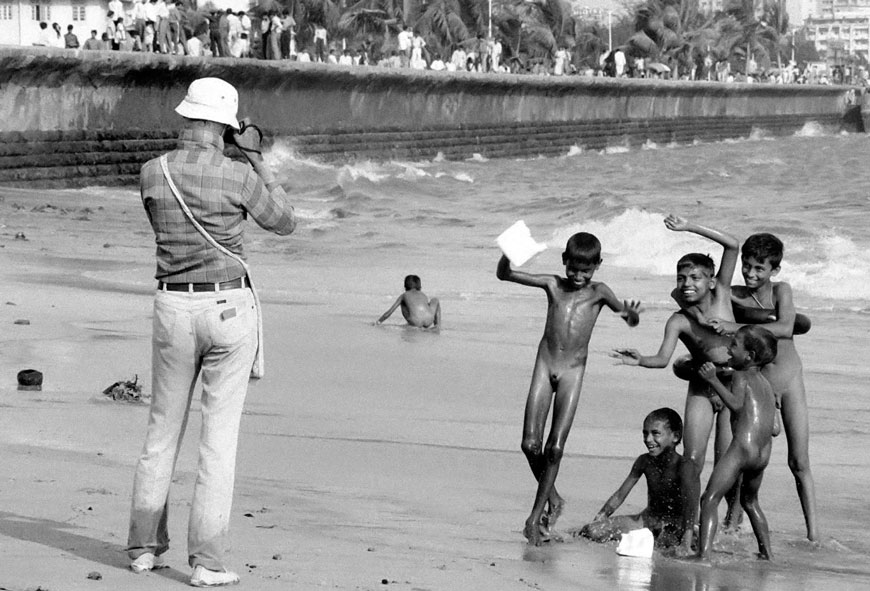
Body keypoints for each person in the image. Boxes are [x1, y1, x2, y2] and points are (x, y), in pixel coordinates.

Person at [126, 77, 296, 586]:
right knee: (217, 444)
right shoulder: (239, 175)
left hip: (172, 304)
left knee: (161, 433)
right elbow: (285, 221)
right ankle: (205, 563)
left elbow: (164, 228)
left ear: (186, 116)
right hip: (227, 307)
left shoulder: (151, 172)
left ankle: (142, 549)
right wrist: (259, 159)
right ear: (227, 125)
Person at [498, 232, 641, 545]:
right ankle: (555, 499)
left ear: (597, 266)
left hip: (573, 371)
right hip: (545, 364)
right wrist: (511, 250)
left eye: (586, 271)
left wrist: (632, 315)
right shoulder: (552, 284)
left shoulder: (599, 291)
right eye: (573, 269)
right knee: (529, 445)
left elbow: (627, 317)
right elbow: (504, 274)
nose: (578, 276)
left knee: (556, 447)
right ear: (564, 261)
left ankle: (535, 516)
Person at [678, 233, 819, 543]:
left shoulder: (783, 290)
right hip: (760, 384)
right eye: (747, 267)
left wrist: (734, 327)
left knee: (799, 461)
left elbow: (785, 327)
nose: (752, 274)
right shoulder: (736, 296)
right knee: (746, 452)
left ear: (774, 270)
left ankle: (814, 535)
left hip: (790, 379)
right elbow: (685, 295)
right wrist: (702, 320)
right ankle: (733, 517)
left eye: (759, 269)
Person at [613, 215, 740, 555]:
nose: (687, 283)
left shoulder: (723, 294)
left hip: (733, 387)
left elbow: (732, 244)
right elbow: (662, 359)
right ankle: (687, 526)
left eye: (695, 277)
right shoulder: (679, 320)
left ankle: (732, 522)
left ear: (711, 281)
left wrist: (689, 227)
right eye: (681, 278)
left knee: (729, 462)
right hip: (701, 387)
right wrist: (638, 359)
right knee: (693, 462)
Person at [695, 325, 779, 560]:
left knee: (709, 499)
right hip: (762, 454)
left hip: (742, 448)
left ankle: (703, 556)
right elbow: (775, 429)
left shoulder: (741, 375)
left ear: (749, 356)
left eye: (734, 346)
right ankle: (767, 554)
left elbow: (736, 404)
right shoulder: (767, 384)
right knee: (750, 501)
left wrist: (712, 380)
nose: (729, 350)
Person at [572, 408, 684, 548]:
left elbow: (691, 506)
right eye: (645, 433)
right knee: (591, 531)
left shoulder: (684, 466)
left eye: (655, 434)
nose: (648, 439)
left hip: (675, 525)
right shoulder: (644, 461)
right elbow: (620, 495)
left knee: (666, 546)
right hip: (646, 520)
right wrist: (599, 519)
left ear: (675, 436)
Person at [375, 274, 440, 329]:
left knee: (403, 303)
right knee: (435, 300)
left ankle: (412, 322)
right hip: (429, 320)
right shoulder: (423, 295)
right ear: (419, 286)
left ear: (405, 286)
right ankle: (437, 326)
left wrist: (378, 322)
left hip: (415, 322)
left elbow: (389, 313)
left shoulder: (404, 295)